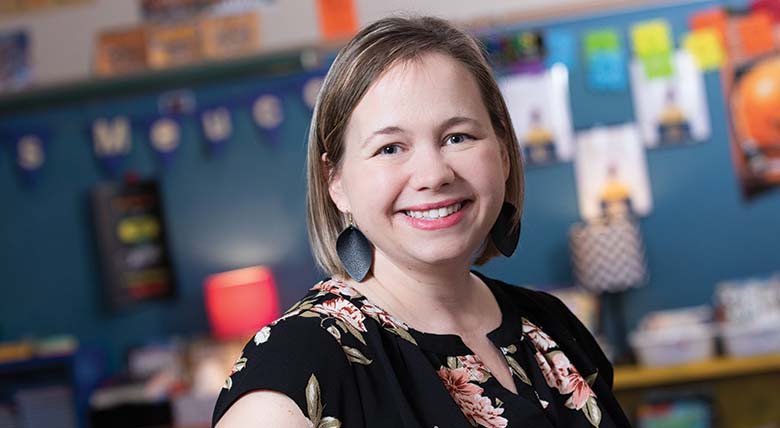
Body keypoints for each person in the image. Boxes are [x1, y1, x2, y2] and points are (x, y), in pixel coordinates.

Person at [213, 15, 631, 428]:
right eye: (391, 148)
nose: (434, 175)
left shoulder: (551, 324)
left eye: (457, 137)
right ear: (335, 181)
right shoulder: (300, 363)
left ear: (503, 153)